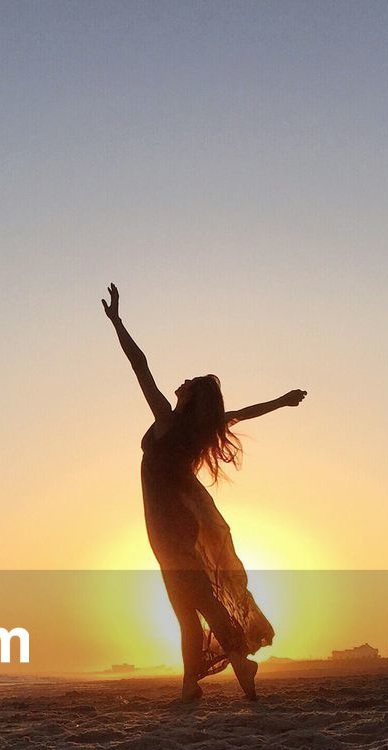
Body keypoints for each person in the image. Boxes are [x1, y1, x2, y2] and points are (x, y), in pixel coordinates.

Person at [103, 281, 306, 702]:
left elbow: (140, 367)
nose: (180, 383)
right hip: (171, 523)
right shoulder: (195, 430)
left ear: (191, 397)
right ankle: (194, 682)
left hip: (168, 524)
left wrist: (119, 323)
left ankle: (229, 666)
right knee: (186, 605)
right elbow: (244, 413)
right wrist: (282, 401)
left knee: (193, 601)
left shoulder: (168, 420)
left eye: (188, 383)